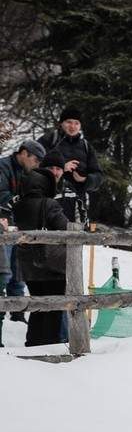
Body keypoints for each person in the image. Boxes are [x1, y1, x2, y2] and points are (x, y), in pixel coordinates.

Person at [12, 154, 70, 346]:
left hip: (29, 265)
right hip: (51, 264)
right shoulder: (50, 204)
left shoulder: (19, 205)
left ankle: (33, 343)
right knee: (54, 307)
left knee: (37, 305)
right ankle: (51, 344)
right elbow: (65, 228)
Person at [0, 140, 47, 335]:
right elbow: (2, 195)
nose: (37, 164)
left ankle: (18, 315)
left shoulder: (28, 172)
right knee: (5, 272)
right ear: (24, 153)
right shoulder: (3, 167)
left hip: (19, 227)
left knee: (18, 272)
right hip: (3, 227)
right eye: (35, 160)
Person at [37, 106, 102, 223]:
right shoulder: (50, 139)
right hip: (50, 200)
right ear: (61, 123)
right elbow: (33, 165)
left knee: (76, 237)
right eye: (69, 122)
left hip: (77, 204)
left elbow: (98, 176)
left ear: (80, 126)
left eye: (76, 123)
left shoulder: (86, 146)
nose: (72, 126)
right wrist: (60, 167)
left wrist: (85, 179)